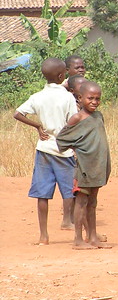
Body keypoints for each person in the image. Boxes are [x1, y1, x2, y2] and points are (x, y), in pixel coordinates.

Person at [13, 58, 78, 245]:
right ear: (61, 76)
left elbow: (18, 114)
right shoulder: (67, 97)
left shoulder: (37, 96)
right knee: (69, 192)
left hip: (43, 149)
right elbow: (73, 120)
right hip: (63, 151)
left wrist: (37, 126)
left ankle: (43, 235)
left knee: (42, 194)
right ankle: (70, 224)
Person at [57, 81, 112, 250]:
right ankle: (78, 239)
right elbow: (62, 139)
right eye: (90, 98)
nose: (94, 102)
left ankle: (93, 237)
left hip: (97, 167)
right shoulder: (77, 118)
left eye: (97, 98)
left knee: (93, 202)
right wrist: (79, 149)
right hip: (84, 168)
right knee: (81, 202)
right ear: (80, 98)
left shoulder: (98, 116)